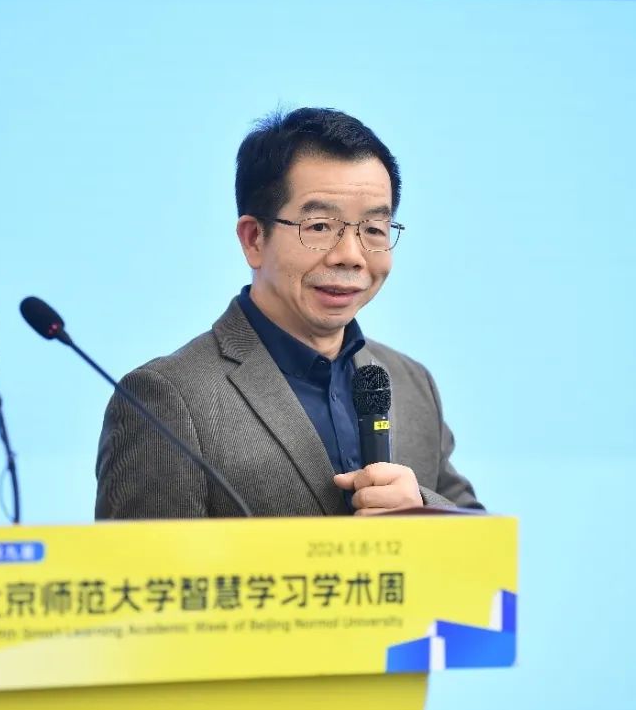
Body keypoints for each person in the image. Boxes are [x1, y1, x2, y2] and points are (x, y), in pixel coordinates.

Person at [95, 107, 482, 519]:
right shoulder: (166, 399)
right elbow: (143, 560)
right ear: (253, 239)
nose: (351, 256)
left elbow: (485, 542)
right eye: (319, 226)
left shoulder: (412, 383)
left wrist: (420, 508)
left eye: (373, 229)